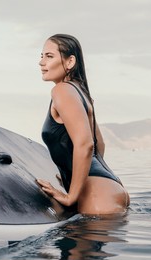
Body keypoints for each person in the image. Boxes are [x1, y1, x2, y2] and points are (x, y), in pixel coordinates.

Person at [36, 34, 130, 215]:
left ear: (70, 61)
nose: (41, 62)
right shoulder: (81, 92)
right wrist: (76, 179)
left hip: (98, 196)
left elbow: (86, 144)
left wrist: (72, 195)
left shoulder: (62, 90)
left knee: (81, 243)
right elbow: (99, 145)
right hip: (108, 186)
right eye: (41, 56)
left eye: (49, 56)